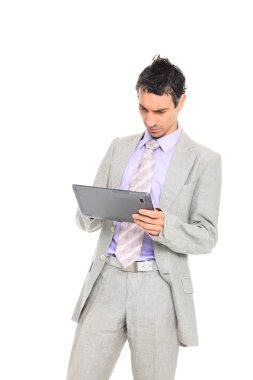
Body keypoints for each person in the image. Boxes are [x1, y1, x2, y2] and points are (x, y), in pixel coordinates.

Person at [66, 55, 222, 380]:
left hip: (157, 287)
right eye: (143, 109)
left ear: (181, 102)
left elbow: (207, 235)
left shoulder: (204, 161)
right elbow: (86, 220)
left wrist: (167, 226)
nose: (150, 120)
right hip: (106, 279)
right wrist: (89, 212)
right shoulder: (119, 147)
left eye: (160, 111)